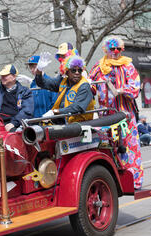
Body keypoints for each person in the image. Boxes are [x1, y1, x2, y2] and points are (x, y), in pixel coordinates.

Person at [89, 36, 143, 189]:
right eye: (112, 48)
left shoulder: (128, 66)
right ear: (106, 49)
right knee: (109, 145)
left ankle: (134, 180)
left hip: (126, 114)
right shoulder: (99, 67)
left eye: (118, 49)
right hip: (107, 115)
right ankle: (113, 179)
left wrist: (122, 90)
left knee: (129, 145)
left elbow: (135, 87)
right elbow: (90, 86)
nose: (115, 52)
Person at [35, 53, 94, 123]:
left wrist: (54, 112)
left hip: (78, 123)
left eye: (80, 70)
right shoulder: (63, 81)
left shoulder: (84, 85)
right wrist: (39, 70)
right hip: (62, 120)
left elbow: (77, 107)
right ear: (67, 72)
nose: (77, 73)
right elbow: (43, 83)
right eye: (73, 70)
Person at [0, 64, 34, 131]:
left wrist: (13, 123)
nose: (2, 77)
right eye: (2, 75)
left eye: (5, 75)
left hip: (17, 124)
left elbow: (27, 111)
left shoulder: (25, 91)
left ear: (14, 77)